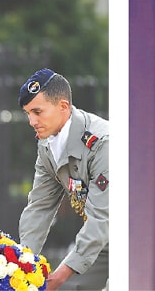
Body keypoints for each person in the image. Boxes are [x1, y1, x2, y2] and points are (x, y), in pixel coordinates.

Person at [17, 68, 109, 290]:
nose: (31, 121)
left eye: (37, 112)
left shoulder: (102, 143)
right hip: (101, 241)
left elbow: (102, 216)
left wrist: (61, 273)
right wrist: (22, 265)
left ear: (63, 107)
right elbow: (40, 206)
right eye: (28, 113)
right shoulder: (47, 145)